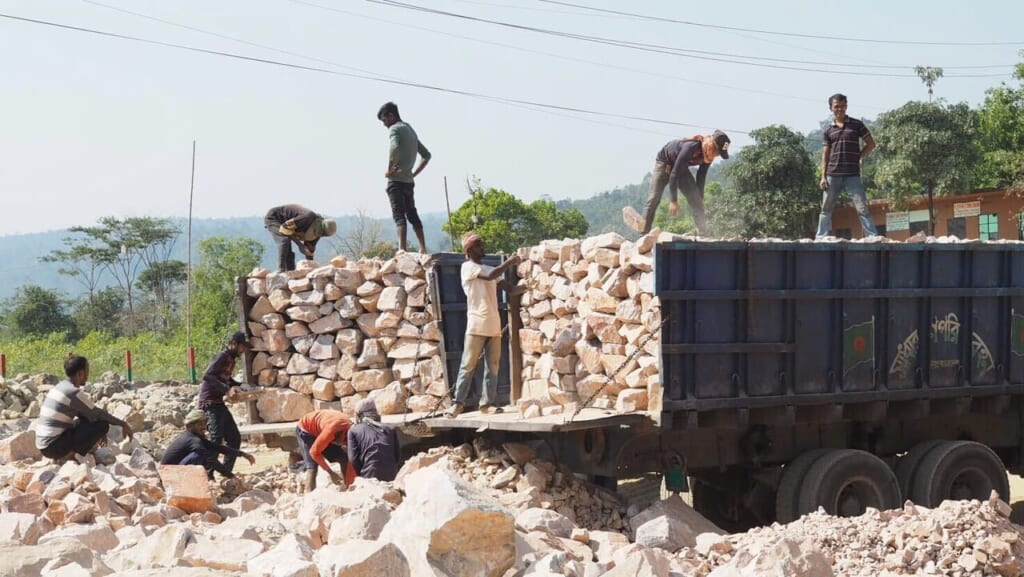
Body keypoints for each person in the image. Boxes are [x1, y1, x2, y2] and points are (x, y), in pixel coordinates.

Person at [446, 231, 522, 418]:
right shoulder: (468, 267)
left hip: (493, 325)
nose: (483, 248)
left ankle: (486, 404)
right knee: (468, 365)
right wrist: (510, 261)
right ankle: (457, 404)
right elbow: (491, 276)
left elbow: (510, 289)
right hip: (476, 325)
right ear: (470, 250)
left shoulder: (488, 269)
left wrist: (530, 286)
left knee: (493, 367)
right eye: (479, 245)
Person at [631, 130, 731, 236]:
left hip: (680, 168)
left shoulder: (708, 157)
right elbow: (674, 174)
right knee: (654, 198)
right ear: (712, 144)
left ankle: (703, 233)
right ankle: (643, 233)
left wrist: (699, 198)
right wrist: (673, 200)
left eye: (719, 153)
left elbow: (701, 177)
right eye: (717, 151)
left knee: (696, 201)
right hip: (664, 164)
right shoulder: (691, 147)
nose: (716, 155)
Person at [35, 354, 134, 460]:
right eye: (87, 371)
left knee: (93, 422)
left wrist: (99, 432)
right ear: (80, 373)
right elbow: (98, 413)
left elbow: (86, 414)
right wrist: (123, 424)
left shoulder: (61, 386)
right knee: (102, 425)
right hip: (52, 448)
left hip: (44, 446)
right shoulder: (72, 392)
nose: (87, 375)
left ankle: (70, 452)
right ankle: (71, 455)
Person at [816, 93, 879, 239]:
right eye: (836, 106)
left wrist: (859, 156)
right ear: (831, 108)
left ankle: (873, 237)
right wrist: (823, 177)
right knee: (826, 208)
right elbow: (825, 155)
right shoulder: (828, 130)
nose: (840, 109)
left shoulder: (856, 125)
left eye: (842, 106)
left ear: (846, 106)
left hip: (852, 175)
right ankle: (820, 236)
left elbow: (871, 144)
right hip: (833, 175)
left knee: (862, 207)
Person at [378, 101, 431, 253]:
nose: (384, 124)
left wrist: (389, 170)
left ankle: (402, 250)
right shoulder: (409, 129)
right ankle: (423, 248)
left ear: (391, 115)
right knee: (412, 214)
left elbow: (394, 147)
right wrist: (414, 173)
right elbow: (426, 155)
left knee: (399, 216)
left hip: (396, 182)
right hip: (409, 182)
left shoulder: (395, 129)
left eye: (384, 120)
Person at [198, 331, 250, 476]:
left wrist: (240, 386)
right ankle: (208, 476)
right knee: (216, 441)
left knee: (234, 438)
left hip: (218, 404)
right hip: (209, 404)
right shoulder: (223, 356)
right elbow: (207, 375)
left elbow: (225, 379)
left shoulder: (231, 359)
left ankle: (226, 473)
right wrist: (227, 390)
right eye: (242, 347)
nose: (244, 350)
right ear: (234, 344)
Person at [161, 409, 255, 480]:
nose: (203, 427)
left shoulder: (194, 437)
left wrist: (242, 454)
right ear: (190, 426)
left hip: (172, 471)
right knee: (201, 455)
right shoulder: (193, 440)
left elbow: (217, 447)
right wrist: (230, 476)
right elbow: (211, 460)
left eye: (204, 424)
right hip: (170, 474)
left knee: (207, 451)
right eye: (199, 424)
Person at [264, 204, 337, 272]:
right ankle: (281, 270)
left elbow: (310, 249)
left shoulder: (319, 233)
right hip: (275, 218)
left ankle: (291, 272)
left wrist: (311, 269)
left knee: (288, 252)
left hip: (290, 227)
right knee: (284, 241)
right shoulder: (306, 217)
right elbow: (284, 229)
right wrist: (300, 245)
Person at [296, 409, 355, 492]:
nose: (343, 445)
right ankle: (309, 497)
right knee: (312, 467)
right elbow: (314, 452)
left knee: (344, 458)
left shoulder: (352, 431)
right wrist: (331, 473)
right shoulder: (330, 431)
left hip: (325, 426)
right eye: (342, 443)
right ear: (335, 437)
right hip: (306, 430)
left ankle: (347, 488)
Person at [347, 399, 400, 482]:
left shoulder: (353, 431)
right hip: (392, 476)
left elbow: (353, 459)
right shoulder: (390, 429)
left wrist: (361, 476)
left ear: (359, 414)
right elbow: (397, 456)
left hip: (369, 476)